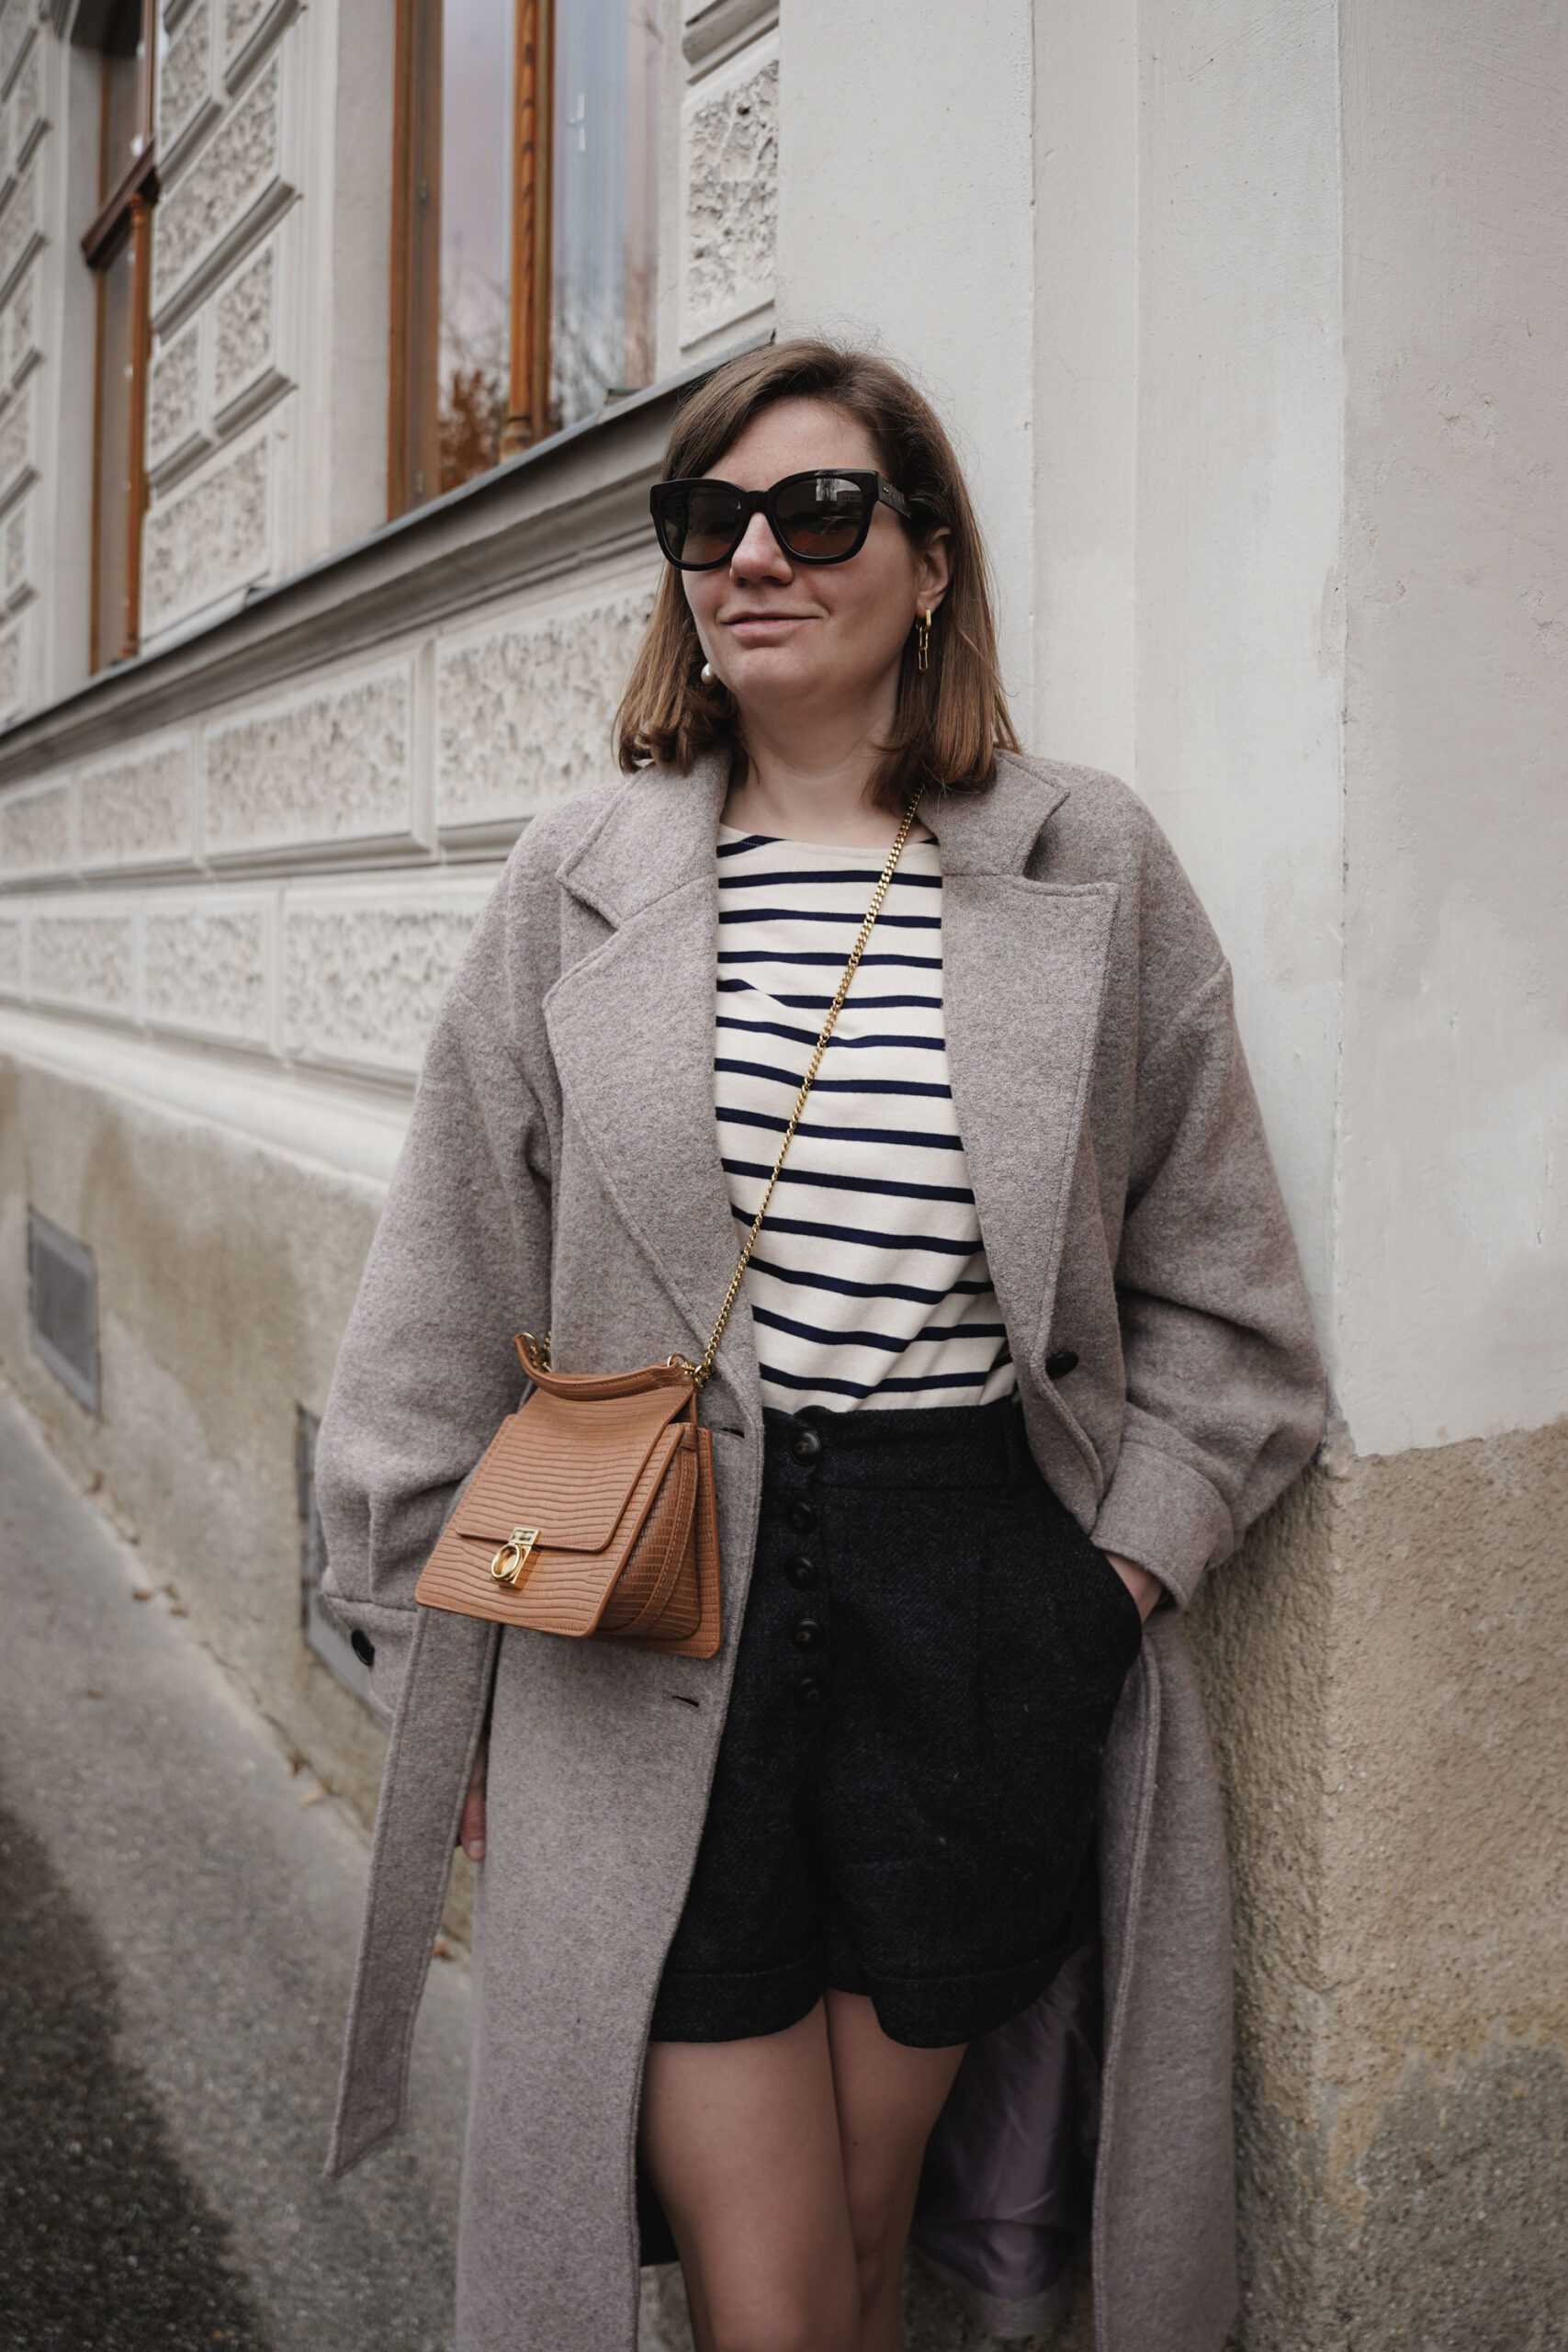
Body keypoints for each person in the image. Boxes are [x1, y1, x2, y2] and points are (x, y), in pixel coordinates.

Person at [316, 339, 1325, 2352]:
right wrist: (438, 1655)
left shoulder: (1081, 865)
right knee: (770, 2302)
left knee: (867, 2254)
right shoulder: (577, 878)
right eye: (709, 519)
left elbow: (1223, 1305)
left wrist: (1102, 1582)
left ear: (928, 563)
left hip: (975, 1608)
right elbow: (438, 1292)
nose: (753, 554)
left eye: (818, 510)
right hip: (647, 1614)